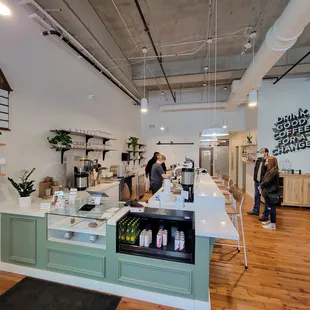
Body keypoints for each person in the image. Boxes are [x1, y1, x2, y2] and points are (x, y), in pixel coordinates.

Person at [259, 156, 280, 230]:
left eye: (268, 162)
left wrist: (260, 186)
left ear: (271, 162)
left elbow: (267, 181)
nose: (266, 163)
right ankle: (271, 221)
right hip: (268, 192)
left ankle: (272, 224)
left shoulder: (273, 172)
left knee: (271, 208)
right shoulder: (271, 170)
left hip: (271, 192)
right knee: (269, 207)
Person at [247, 148, 269, 216]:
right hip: (257, 181)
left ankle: (266, 214)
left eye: (263, 152)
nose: (261, 153)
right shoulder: (259, 160)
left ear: (266, 152)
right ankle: (255, 211)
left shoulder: (268, 160)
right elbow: (254, 161)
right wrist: (250, 158)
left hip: (264, 182)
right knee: (256, 196)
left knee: (266, 197)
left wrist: (266, 159)